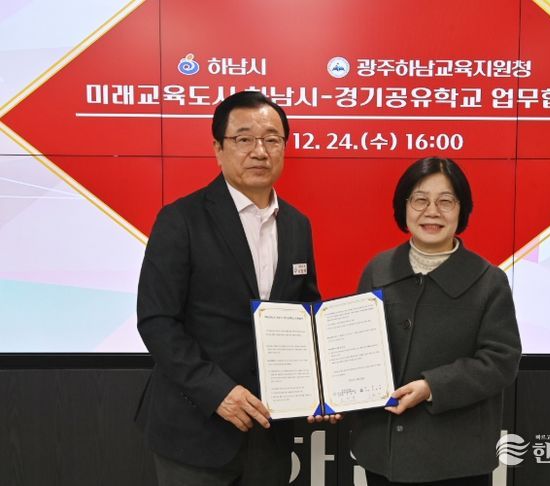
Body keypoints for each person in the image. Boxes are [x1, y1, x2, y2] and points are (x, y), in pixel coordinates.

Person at [135, 91, 321, 486]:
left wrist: (323, 386)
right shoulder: (181, 219)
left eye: (272, 139)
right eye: (244, 139)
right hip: (194, 428)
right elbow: (157, 320)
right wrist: (217, 391)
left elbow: (305, 311)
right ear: (218, 149)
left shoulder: (297, 224)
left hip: (269, 430)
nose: (260, 151)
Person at [351, 157, 522, 486]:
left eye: (445, 201)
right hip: (384, 454)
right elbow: (355, 347)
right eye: (420, 200)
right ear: (404, 207)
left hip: (456, 460)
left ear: (461, 210)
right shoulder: (378, 269)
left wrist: (432, 387)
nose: (432, 212)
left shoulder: (488, 280)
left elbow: (501, 361)